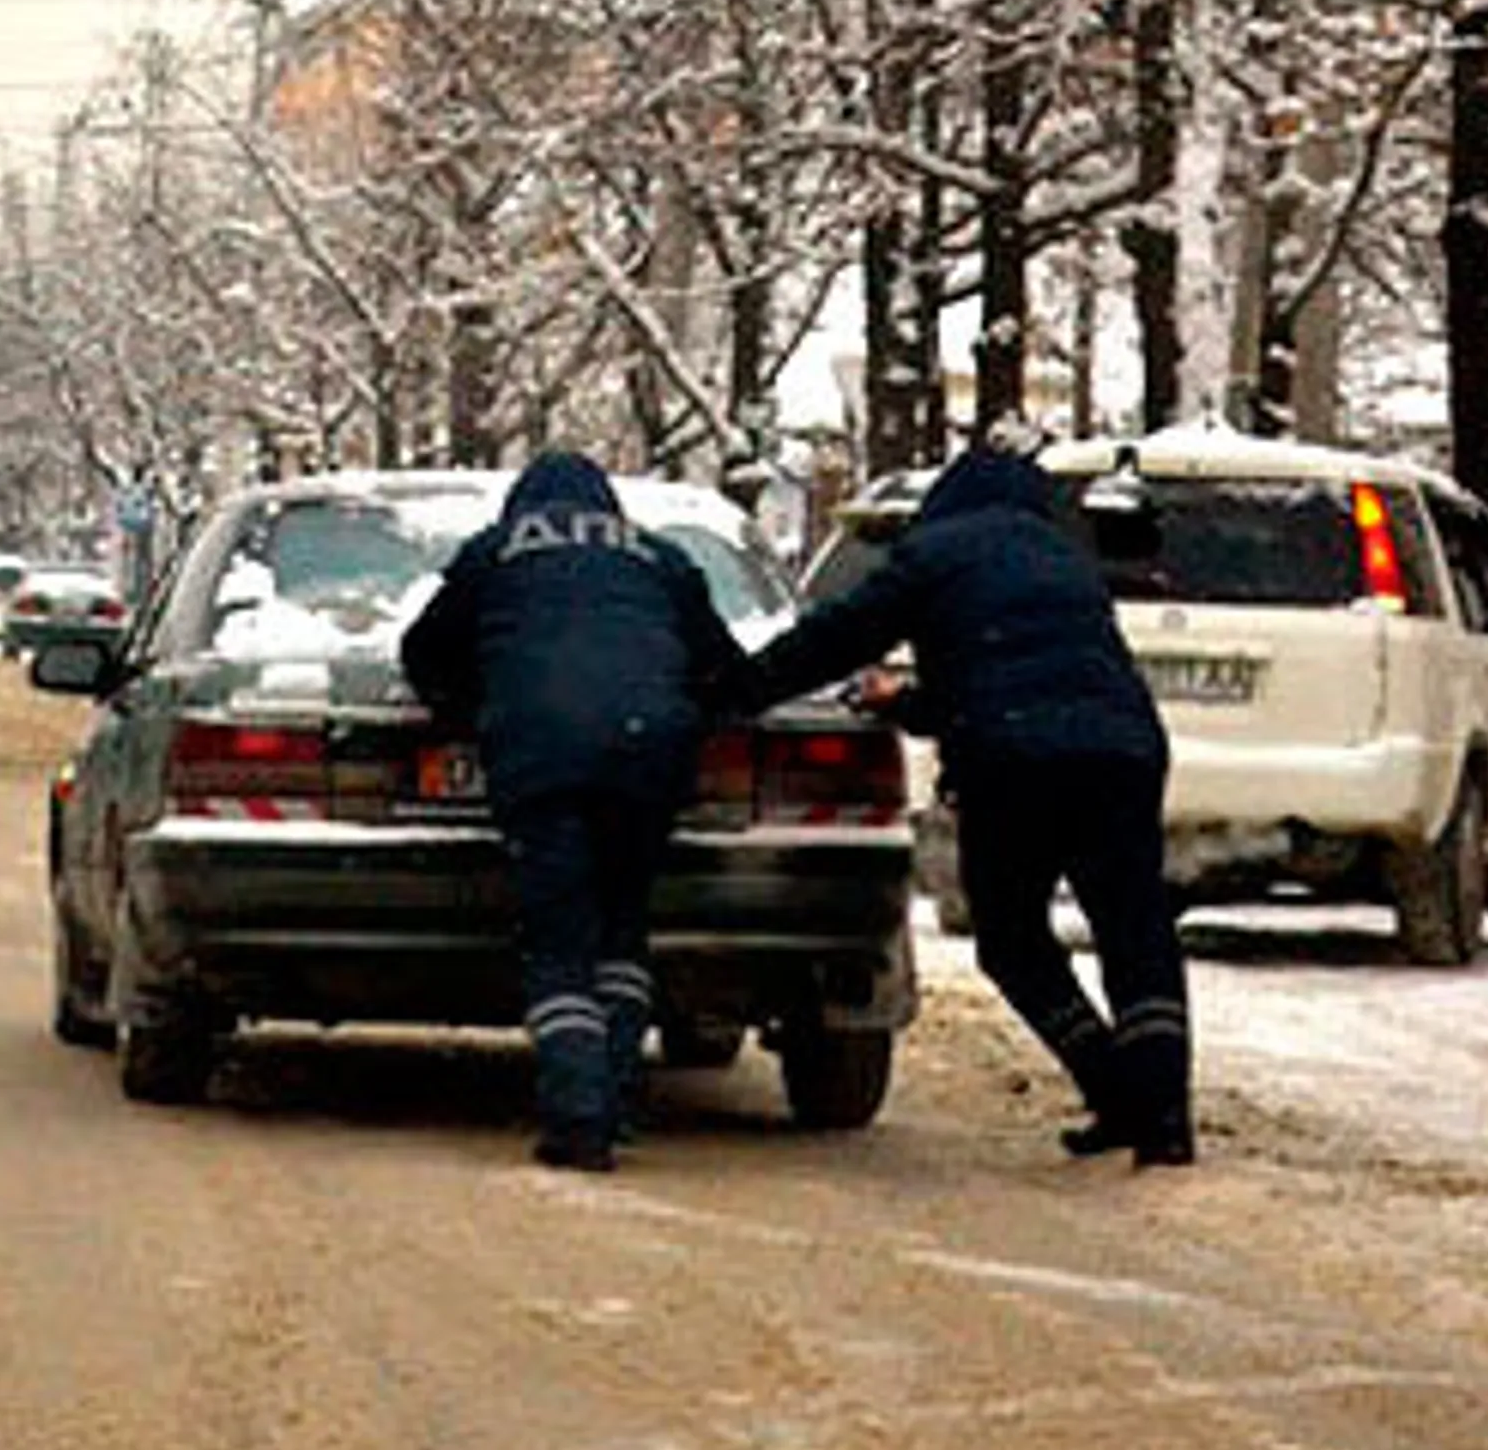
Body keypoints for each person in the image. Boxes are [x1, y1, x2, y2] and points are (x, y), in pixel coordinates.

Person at [719, 432, 1196, 1169]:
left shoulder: (934, 554)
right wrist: (912, 700)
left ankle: (1109, 1081)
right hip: (1123, 749)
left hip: (1011, 761)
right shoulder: (1064, 558)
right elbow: (1023, 669)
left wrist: (736, 691)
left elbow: (835, 639)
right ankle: (1162, 1117)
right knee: (1135, 929)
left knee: (1011, 938)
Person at [399, 452, 738, 1173]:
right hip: (651, 756)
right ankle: (612, 1100)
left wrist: (470, 712)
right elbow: (721, 668)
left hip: (540, 754)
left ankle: (578, 1119)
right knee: (621, 928)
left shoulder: (496, 553)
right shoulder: (662, 557)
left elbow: (424, 652)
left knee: (559, 938)